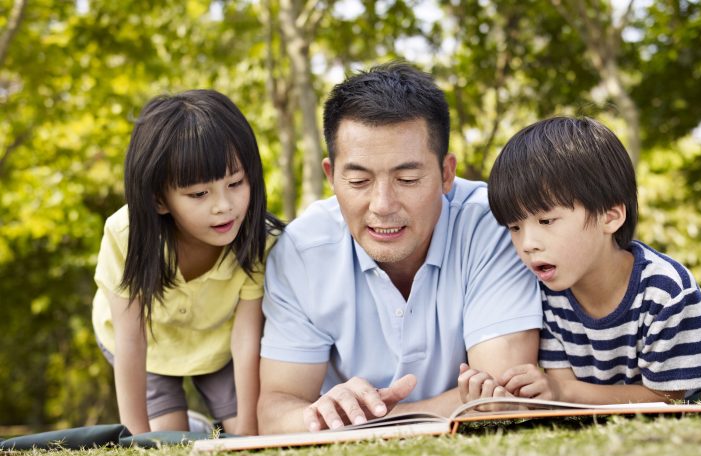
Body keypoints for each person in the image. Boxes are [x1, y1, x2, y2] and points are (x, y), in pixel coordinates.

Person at [258, 62, 543, 434]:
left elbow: (499, 396)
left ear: (446, 173)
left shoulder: (496, 223)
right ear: (331, 176)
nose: (382, 205)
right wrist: (324, 413)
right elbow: (275, 412)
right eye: (359, 180)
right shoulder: (302, 252)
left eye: (407, 178)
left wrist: (361, 423)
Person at [458, 116, 701, 404]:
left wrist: (563, 393)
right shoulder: (547, 293)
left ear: (610, 217)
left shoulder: (666, 293)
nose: (527, 244)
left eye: (546, 221)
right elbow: (561, 386)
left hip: (695, 374)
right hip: (639, 375)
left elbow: (667, 397)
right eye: (515, 227)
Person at [92, 89, 283, 435]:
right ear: (159, 200)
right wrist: (136, 438)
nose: (224, 205)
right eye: (199, 194)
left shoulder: (259, 240)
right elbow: (131, 338)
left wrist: (251, 435)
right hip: (150, 350)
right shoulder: (126, 233)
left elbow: (245, 339)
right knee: (167, 439)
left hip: (219, 346)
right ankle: (189, 422)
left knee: (245, 427)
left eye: (236, 183)